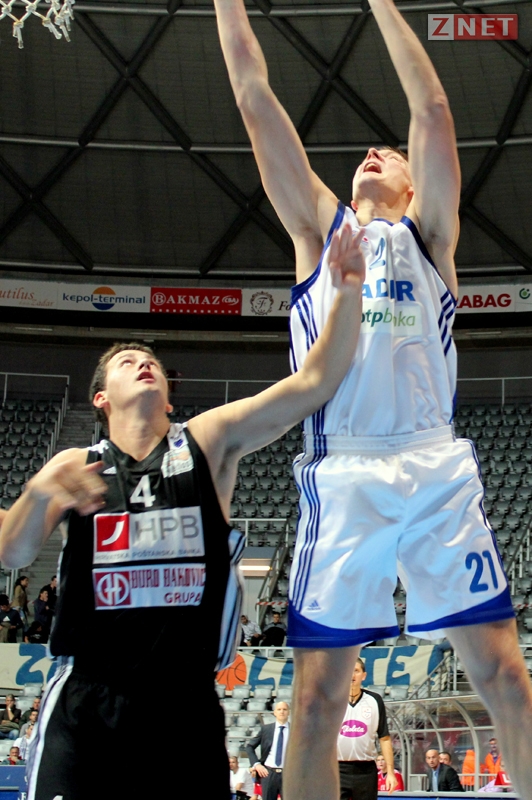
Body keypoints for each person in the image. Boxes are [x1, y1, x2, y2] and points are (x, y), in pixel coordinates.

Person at [213, 0, 532, 798]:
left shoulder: (431, 236)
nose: (371, 153)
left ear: (415, 183)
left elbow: (433, 108)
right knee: (315, 703)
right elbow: (253, 95)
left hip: (434, 463)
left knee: (506, 679)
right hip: (346, 469)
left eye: (388, 153)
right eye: (367, 151)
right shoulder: (317, 232)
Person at [0, 241, 366, 800]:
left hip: (185, 704)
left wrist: (348, 290)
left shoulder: (206, 442)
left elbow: (313, 384)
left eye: (150, 360)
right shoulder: (75, 465)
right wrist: (38, 492)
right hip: (88, 700)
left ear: (170, 399)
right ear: (100, 398)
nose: (142, 362)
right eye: (126, 362)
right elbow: (14, 553)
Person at [337, 658, 397, 800]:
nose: (352, 675)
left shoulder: (374, 700)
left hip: (366, 771)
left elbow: (384, 738)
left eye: (356, 671)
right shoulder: (333, 701)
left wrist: (390, 772)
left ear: (363, 676)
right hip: (337, 769)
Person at [246, 701, 290, 800]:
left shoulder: (294, 730)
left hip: (288, 775)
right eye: (279, 709)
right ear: (274, 712)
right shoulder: (266, 729)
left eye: (284, 709)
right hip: (268, 773)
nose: (282, 712)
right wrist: (257, 764)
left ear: (289, 712)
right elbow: (249, 747)